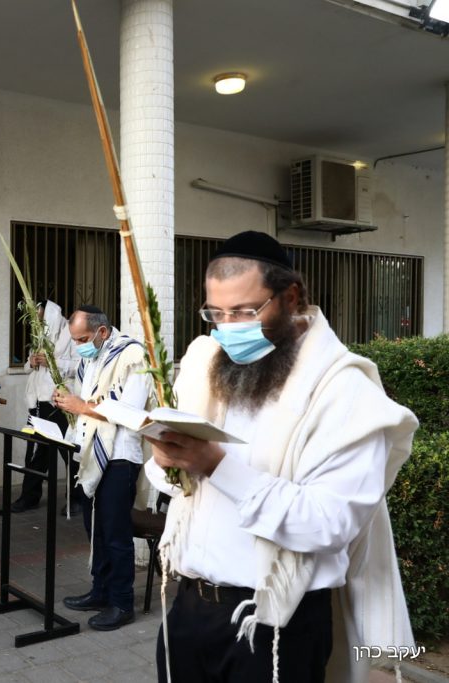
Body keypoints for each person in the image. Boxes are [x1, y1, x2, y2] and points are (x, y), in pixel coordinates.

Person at [145, 231, 417, 683]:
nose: (229, 327)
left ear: (291, 296)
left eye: (246, 311)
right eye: (217, 313)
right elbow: (180, 491)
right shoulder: (209, 369)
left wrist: (215, 464)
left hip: (275, 624)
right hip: (190, 609)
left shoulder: (343, 390)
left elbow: (328, 524)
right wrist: (167, 460)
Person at [53, 304, 150, 631]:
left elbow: (132, 412)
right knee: (95, 529)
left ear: (102, 332)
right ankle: (100, 590)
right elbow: (87, 401)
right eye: (75, 338)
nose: (78, 344)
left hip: (121, 456)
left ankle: (122, 603)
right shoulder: (92, 358)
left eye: (82, 338)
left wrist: (81, 406)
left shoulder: (133, 357)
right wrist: (69, 402)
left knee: (115, 533)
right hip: (92, 455)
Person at [12, 300, 83, 516]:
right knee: (38, 453)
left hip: (59, 403)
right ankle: (29, 497)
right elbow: (27, 367)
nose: (38, 320)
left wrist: (53, 361)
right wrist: (32, 362)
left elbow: (80, 366)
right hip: (38, 404)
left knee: (68, 453)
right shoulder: (39, 338)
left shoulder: (71, 335)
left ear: (51, 314)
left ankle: (76, 499)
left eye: (41, 316)